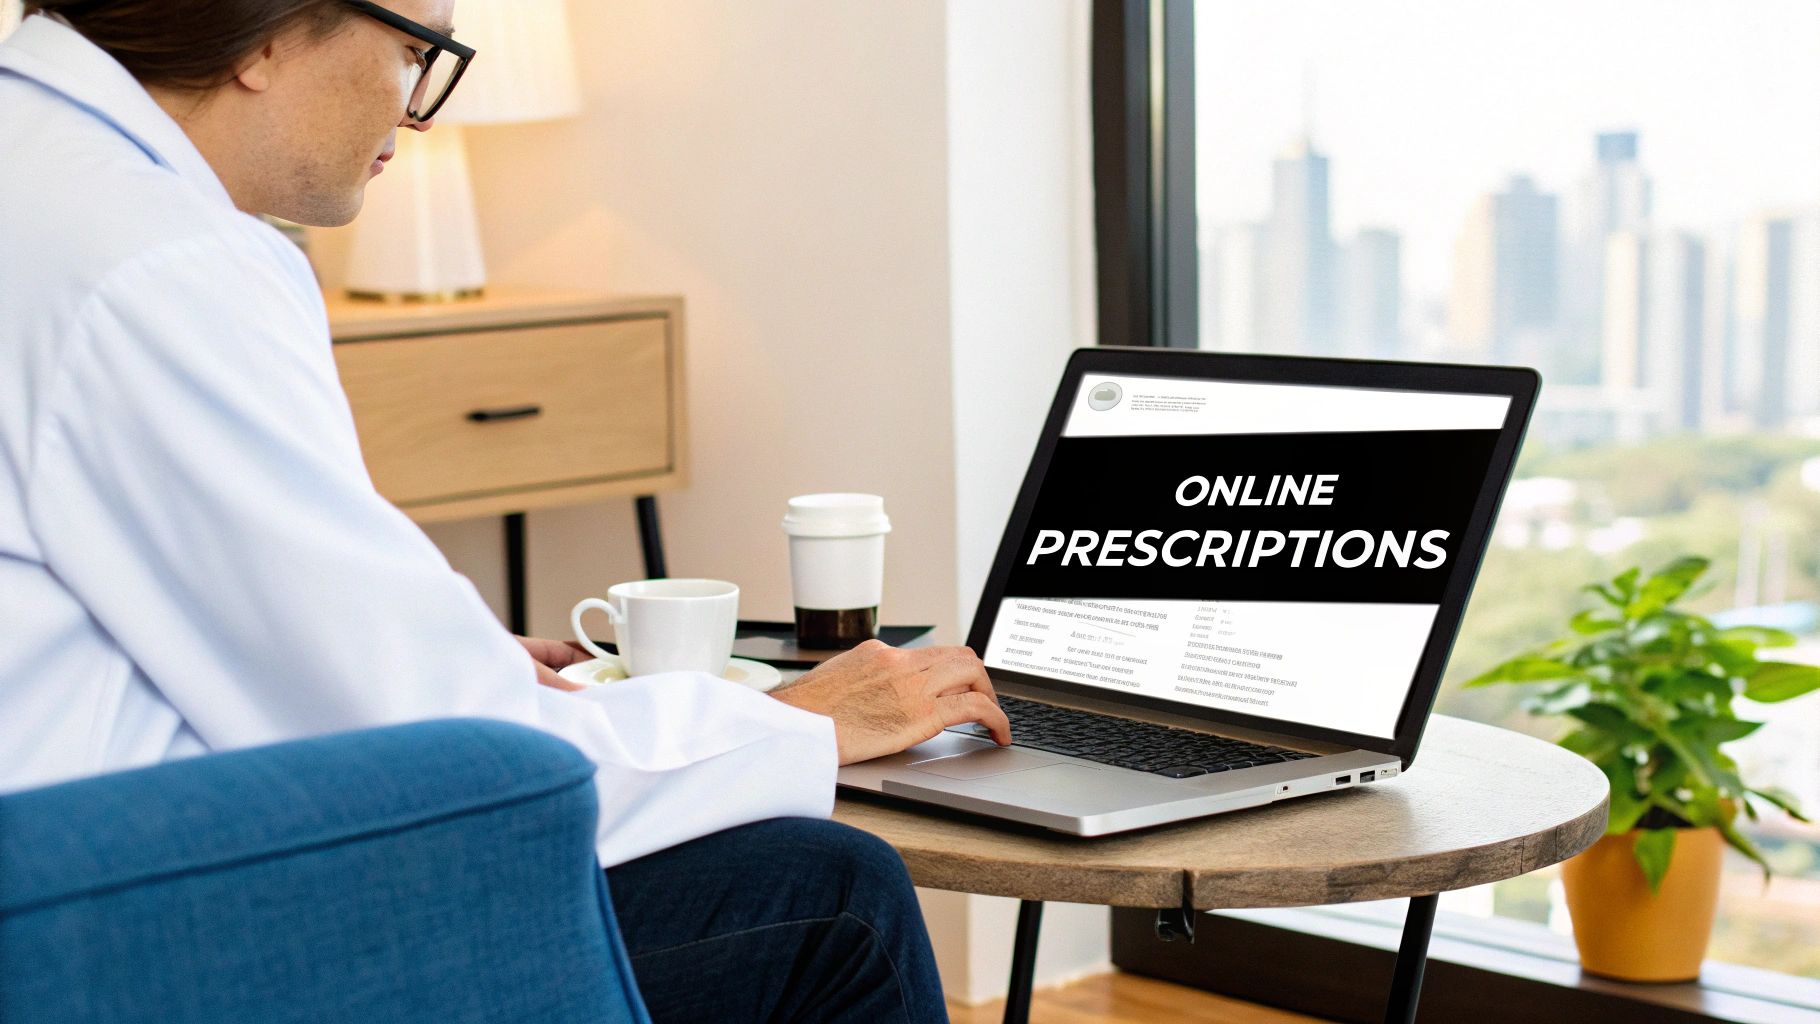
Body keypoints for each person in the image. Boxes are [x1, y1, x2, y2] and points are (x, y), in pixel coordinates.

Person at [0, 2, 1013, 1020]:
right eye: (411, 53)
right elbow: (457, 757)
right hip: (96, 941)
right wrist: (782, 721)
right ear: (267, 34)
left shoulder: (38, 170)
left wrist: (441, 656)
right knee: (831, 895)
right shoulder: (163, 267)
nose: (415, 111)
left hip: (68, 865)